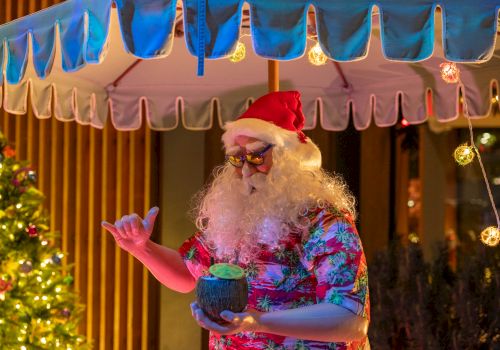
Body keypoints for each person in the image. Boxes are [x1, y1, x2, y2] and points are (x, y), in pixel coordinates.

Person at [102, 91, 370, 349]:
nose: (245, 169)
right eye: (237, 158)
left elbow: (349, 320)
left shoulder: (324, 222)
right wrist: (142, 248)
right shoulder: (234, 217)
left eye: (255, 156)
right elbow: (187, 275)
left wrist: (258, 322)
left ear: (290, 159)